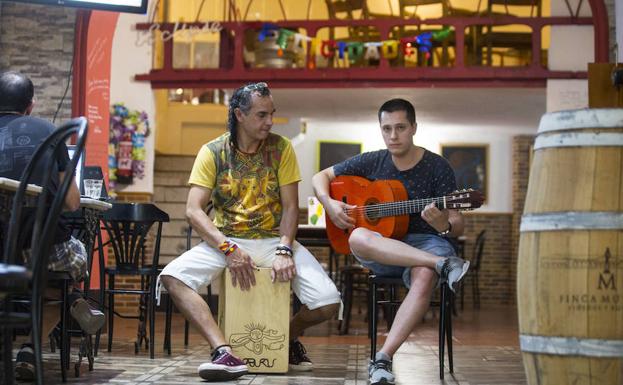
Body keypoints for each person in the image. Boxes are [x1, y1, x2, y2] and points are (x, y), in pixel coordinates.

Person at [158, 82, 341, 382]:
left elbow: (291, 207)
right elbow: (193, 210)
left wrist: (284, 249)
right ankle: (222, 352)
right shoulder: (212, 152)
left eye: (272, 114)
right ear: (239, 115)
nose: (269, 121)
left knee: (328, 301)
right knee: (172, 277)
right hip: (226, 240)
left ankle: (287, 339)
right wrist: (227, 249)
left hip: (274, 240)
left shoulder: (281, 148)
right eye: (261, 115)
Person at [311, 98, 469, 385]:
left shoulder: (437, 167)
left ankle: (382, 358)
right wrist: (329, 204)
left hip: (427, 241)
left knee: (423, 276)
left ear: (414, 128)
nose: (393, 136)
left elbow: (457, 222)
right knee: (358, 236)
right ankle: (444, 265)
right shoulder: (373, 160)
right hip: (384, 247)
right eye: (387, 129)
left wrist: (443, 224)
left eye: (400, 128)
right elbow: (320, 176)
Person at [0, 70, 105, 381]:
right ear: (30, 106)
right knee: (72, 260)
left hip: (2, 251)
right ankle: (33, 345)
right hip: (38, 247)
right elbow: (73, 203)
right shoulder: (50, 132)